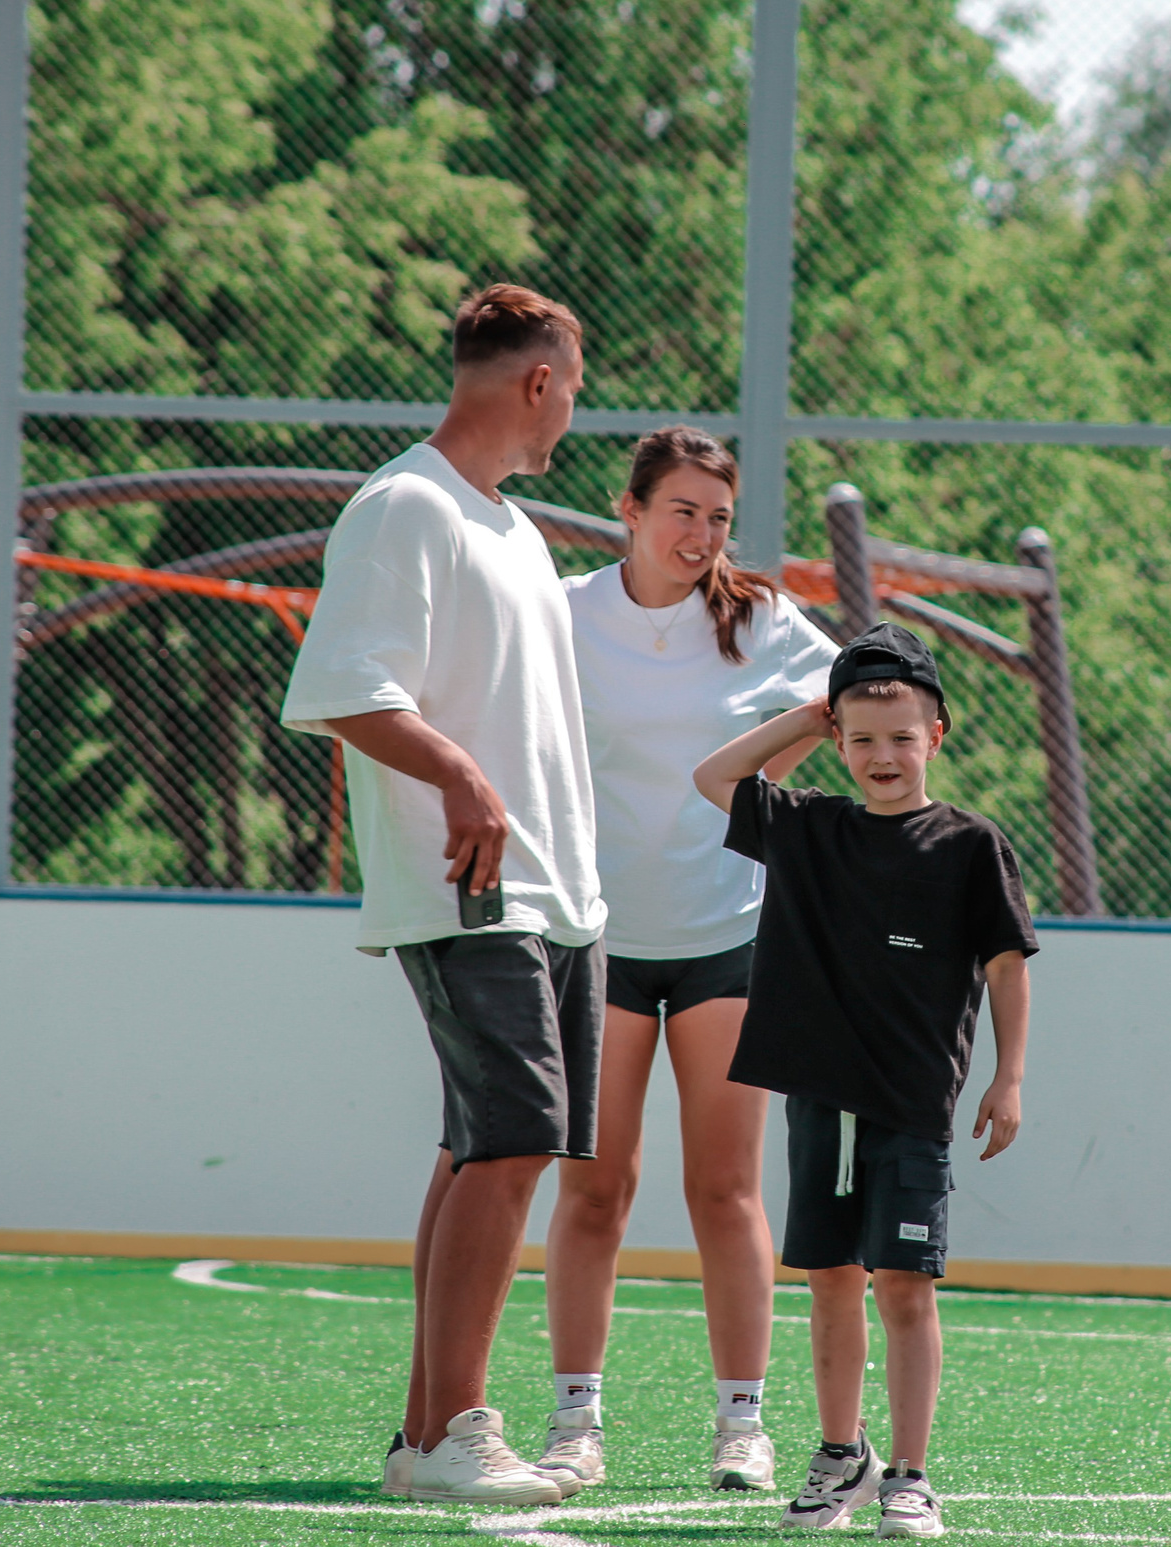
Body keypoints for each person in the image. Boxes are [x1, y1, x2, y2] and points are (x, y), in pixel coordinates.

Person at [279, 284, 605, 1509]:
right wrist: (462, 779)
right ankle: (461, 1431)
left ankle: (426, 1437)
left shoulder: (512, 531)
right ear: (537, 380)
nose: (570, 413)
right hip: (474, 888)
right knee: (512, 1140)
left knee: (483, 1144)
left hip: (561, 895)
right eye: (570, 388)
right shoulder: (403, 507)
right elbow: (347, 689)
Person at [536, 425, 835, 1495]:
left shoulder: (755, 618)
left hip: (728, 940)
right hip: (597, 939)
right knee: (595, 1190)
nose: (701, 535)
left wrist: (763, 792)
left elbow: (843, 696)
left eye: (717, 517)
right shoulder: (564, 610)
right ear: (629, 508)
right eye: (681, 512)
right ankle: (575, 1422)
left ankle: (741, 1425)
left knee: (725, 1190)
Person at [692, 622, 1037, 1539]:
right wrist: (805, 714)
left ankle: (913, 1475)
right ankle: (843, 1455)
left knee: (904, 1287)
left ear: (937, 734)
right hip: (820, 1100)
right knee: (833, 1282)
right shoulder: (808, 826)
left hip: (915, 1104)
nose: (883, 755)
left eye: (902, 734)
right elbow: (716, 777)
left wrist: (1008, 1079)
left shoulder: (970, 844)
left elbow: (1007, 965)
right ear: (838, 740)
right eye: (862, 737)